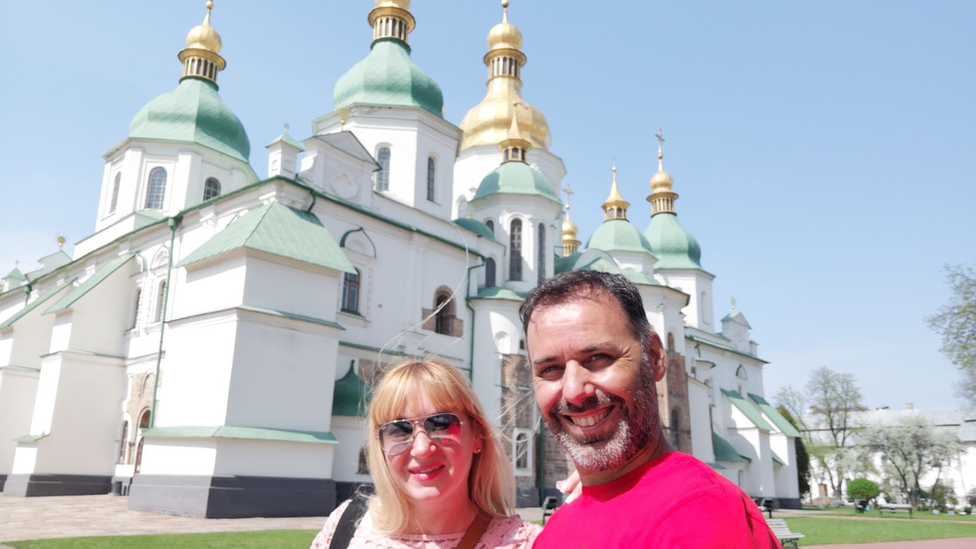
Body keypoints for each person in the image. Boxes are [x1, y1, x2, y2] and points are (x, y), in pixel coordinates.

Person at [520, 270, 780, 548]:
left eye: (598, 358)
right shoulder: (559, 524)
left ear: (654, 357)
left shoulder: (697, 513)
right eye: (550, 369)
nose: (574, 392)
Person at [311, 359, 540, 549]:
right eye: (398, 429)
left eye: (441, 424)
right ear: (380, 446)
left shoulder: (523, 543)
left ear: (477, 436)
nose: (421, 448)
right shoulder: (344, 527)